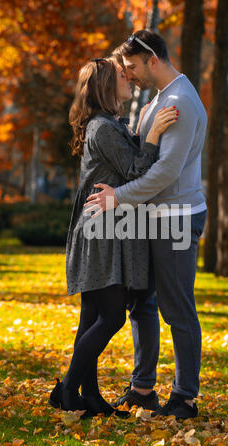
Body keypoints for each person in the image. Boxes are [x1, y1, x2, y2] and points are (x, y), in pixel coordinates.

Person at [84, 29, 208, 420]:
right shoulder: (158, 100)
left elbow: (166, 172)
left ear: (153, 60)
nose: (130, 74)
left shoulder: (182, 101)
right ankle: (142, 389)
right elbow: (142, 152)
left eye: (133, 66)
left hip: (175, 216)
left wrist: (116, 197)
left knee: (177, 309)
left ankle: (186, 398)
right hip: (153, 217)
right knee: (143, 303)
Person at [48, 56, 178, 418]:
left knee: (92, 316)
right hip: (101, 232)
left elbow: (125, 169)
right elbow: (137, 169)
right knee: (111, 316)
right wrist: (152, 136)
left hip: (103, 228)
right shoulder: (103, 127)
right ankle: (68, 390)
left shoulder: (107, 124)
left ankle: (88, 396)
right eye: (121, 75)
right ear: (106, 85)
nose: (128, 77)